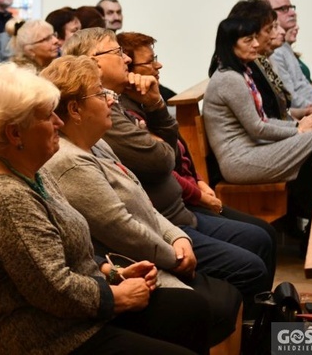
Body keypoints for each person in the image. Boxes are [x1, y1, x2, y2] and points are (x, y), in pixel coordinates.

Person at [0, 62, 210, 355]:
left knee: (191, 309)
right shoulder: (4, 198)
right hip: (46, 338)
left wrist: (113, 273)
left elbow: (68, 252)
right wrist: (117, 298)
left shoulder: (30, 170)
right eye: (47, 116)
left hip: (75, 315)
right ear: (15, 134)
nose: (59, 122)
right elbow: (54, 289)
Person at [63, 27, 273, 319]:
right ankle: (259, 338)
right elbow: (160, 164)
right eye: (117, 52)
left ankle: (266, 333)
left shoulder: (115, 108)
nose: (125, 60)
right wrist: (174, 249)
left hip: (174, 217)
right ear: (93, 62)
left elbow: (173, 153)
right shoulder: (98, 121)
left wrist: (156, 107)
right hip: (166, 224)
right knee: (251, 261)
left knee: (262, 237)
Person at [40, 56, 242, 349]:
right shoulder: (70, 162)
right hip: (136, 264)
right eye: (101, 93)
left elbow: (142, 201)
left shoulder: (96, 141)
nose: (111, 100)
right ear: (75, 109)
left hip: (154, 251)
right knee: (214, 301)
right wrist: (174, 258)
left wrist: (177, 237)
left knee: (232, 287)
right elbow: (121, 227)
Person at [119, 30, 279, 282]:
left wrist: (200, 180)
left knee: (264, 235)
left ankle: (265, 312)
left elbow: (181, 152)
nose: (158, 64)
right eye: (149, 61)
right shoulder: (127, 112)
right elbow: (164, 164)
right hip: (175, 212)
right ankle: (253, 317)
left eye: (155, 57)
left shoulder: (147, 99)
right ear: (127, 68)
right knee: (256, 247)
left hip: (186, 200)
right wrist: (199, 194)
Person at [204, 16, 312, 227]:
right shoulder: (229, 78)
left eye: (254, 38)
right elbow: (258, 127)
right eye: (247, 40)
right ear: (230, 44)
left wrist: (299, 127)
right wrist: (299, 130)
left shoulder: (242, 72)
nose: (255, 44)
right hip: (240, 160)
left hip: (252, 150)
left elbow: (262, 120)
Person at [264, 0, 312, 118]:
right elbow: (289, 99)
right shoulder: (274, 52)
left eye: (291, 8)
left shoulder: (284, 47)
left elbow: (304, 87)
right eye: (284, 9)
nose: (292, 13)